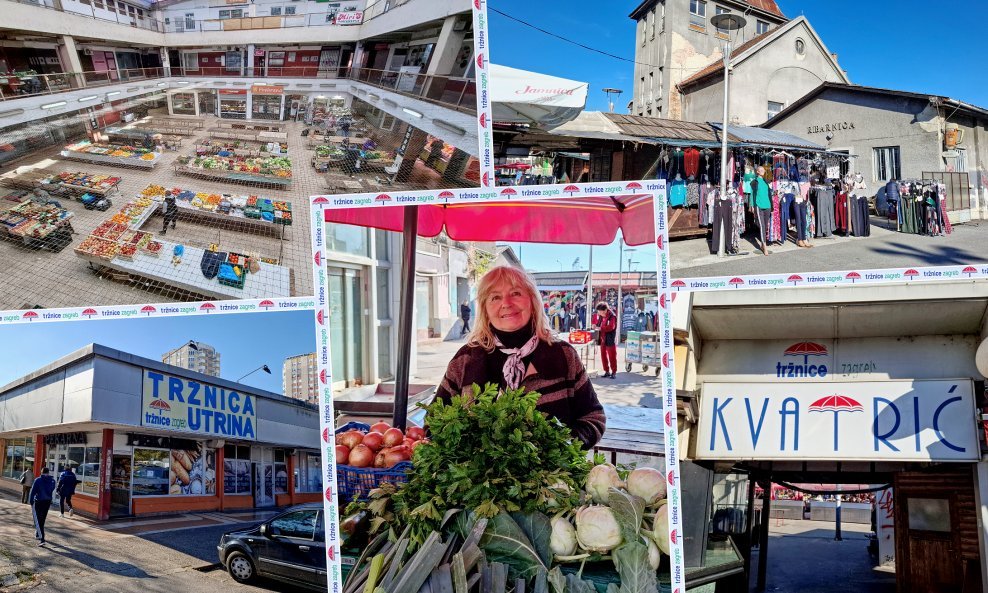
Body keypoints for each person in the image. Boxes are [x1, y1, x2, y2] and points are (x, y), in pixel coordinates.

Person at [435, 266, 605, 449]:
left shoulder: (562, 355)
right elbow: (434, 423)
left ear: (532, 301)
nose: (506, 303)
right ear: (485, 309)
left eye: (515, 293)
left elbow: (593, 417)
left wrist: (561, 449)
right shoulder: (466, 359)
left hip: (552, 476)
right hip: (476, 477)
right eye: (495, 297)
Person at [749, 166, 772, 256]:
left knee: (765, 226)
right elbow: (752, 194)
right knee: (762, 226)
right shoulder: (754, 182)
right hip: (759, 205)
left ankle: (762, 243)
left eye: (763, 170)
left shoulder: (766, 181)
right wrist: (752, 205)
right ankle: (765, 246)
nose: (763, 171)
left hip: (767, 206)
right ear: (757, 172)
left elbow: (769, 193)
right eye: (761, 170)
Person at [29, 467, 56, 546]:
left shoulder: (38, 480)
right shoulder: (52, 481)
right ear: (48, 473)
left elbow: (33, 491)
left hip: (39, 501)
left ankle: (42, 538)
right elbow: (52, 489)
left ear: (41, 472)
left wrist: (31, 501)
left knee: (37, 520)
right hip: (47, 502)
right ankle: (38, 533)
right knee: (42, 519)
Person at [595, 302, 618, 379]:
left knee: (612, 356)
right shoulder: (601, 316)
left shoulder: (612, 316)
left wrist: (601, 328)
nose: (599, 313)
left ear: (604, 310)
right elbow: (598, 324)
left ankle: (614, 372)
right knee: (603, 355)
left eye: (600, 311)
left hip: (610, 338)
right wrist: (595, 326)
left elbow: (611, 327)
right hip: (603, 338)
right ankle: (606, 371)